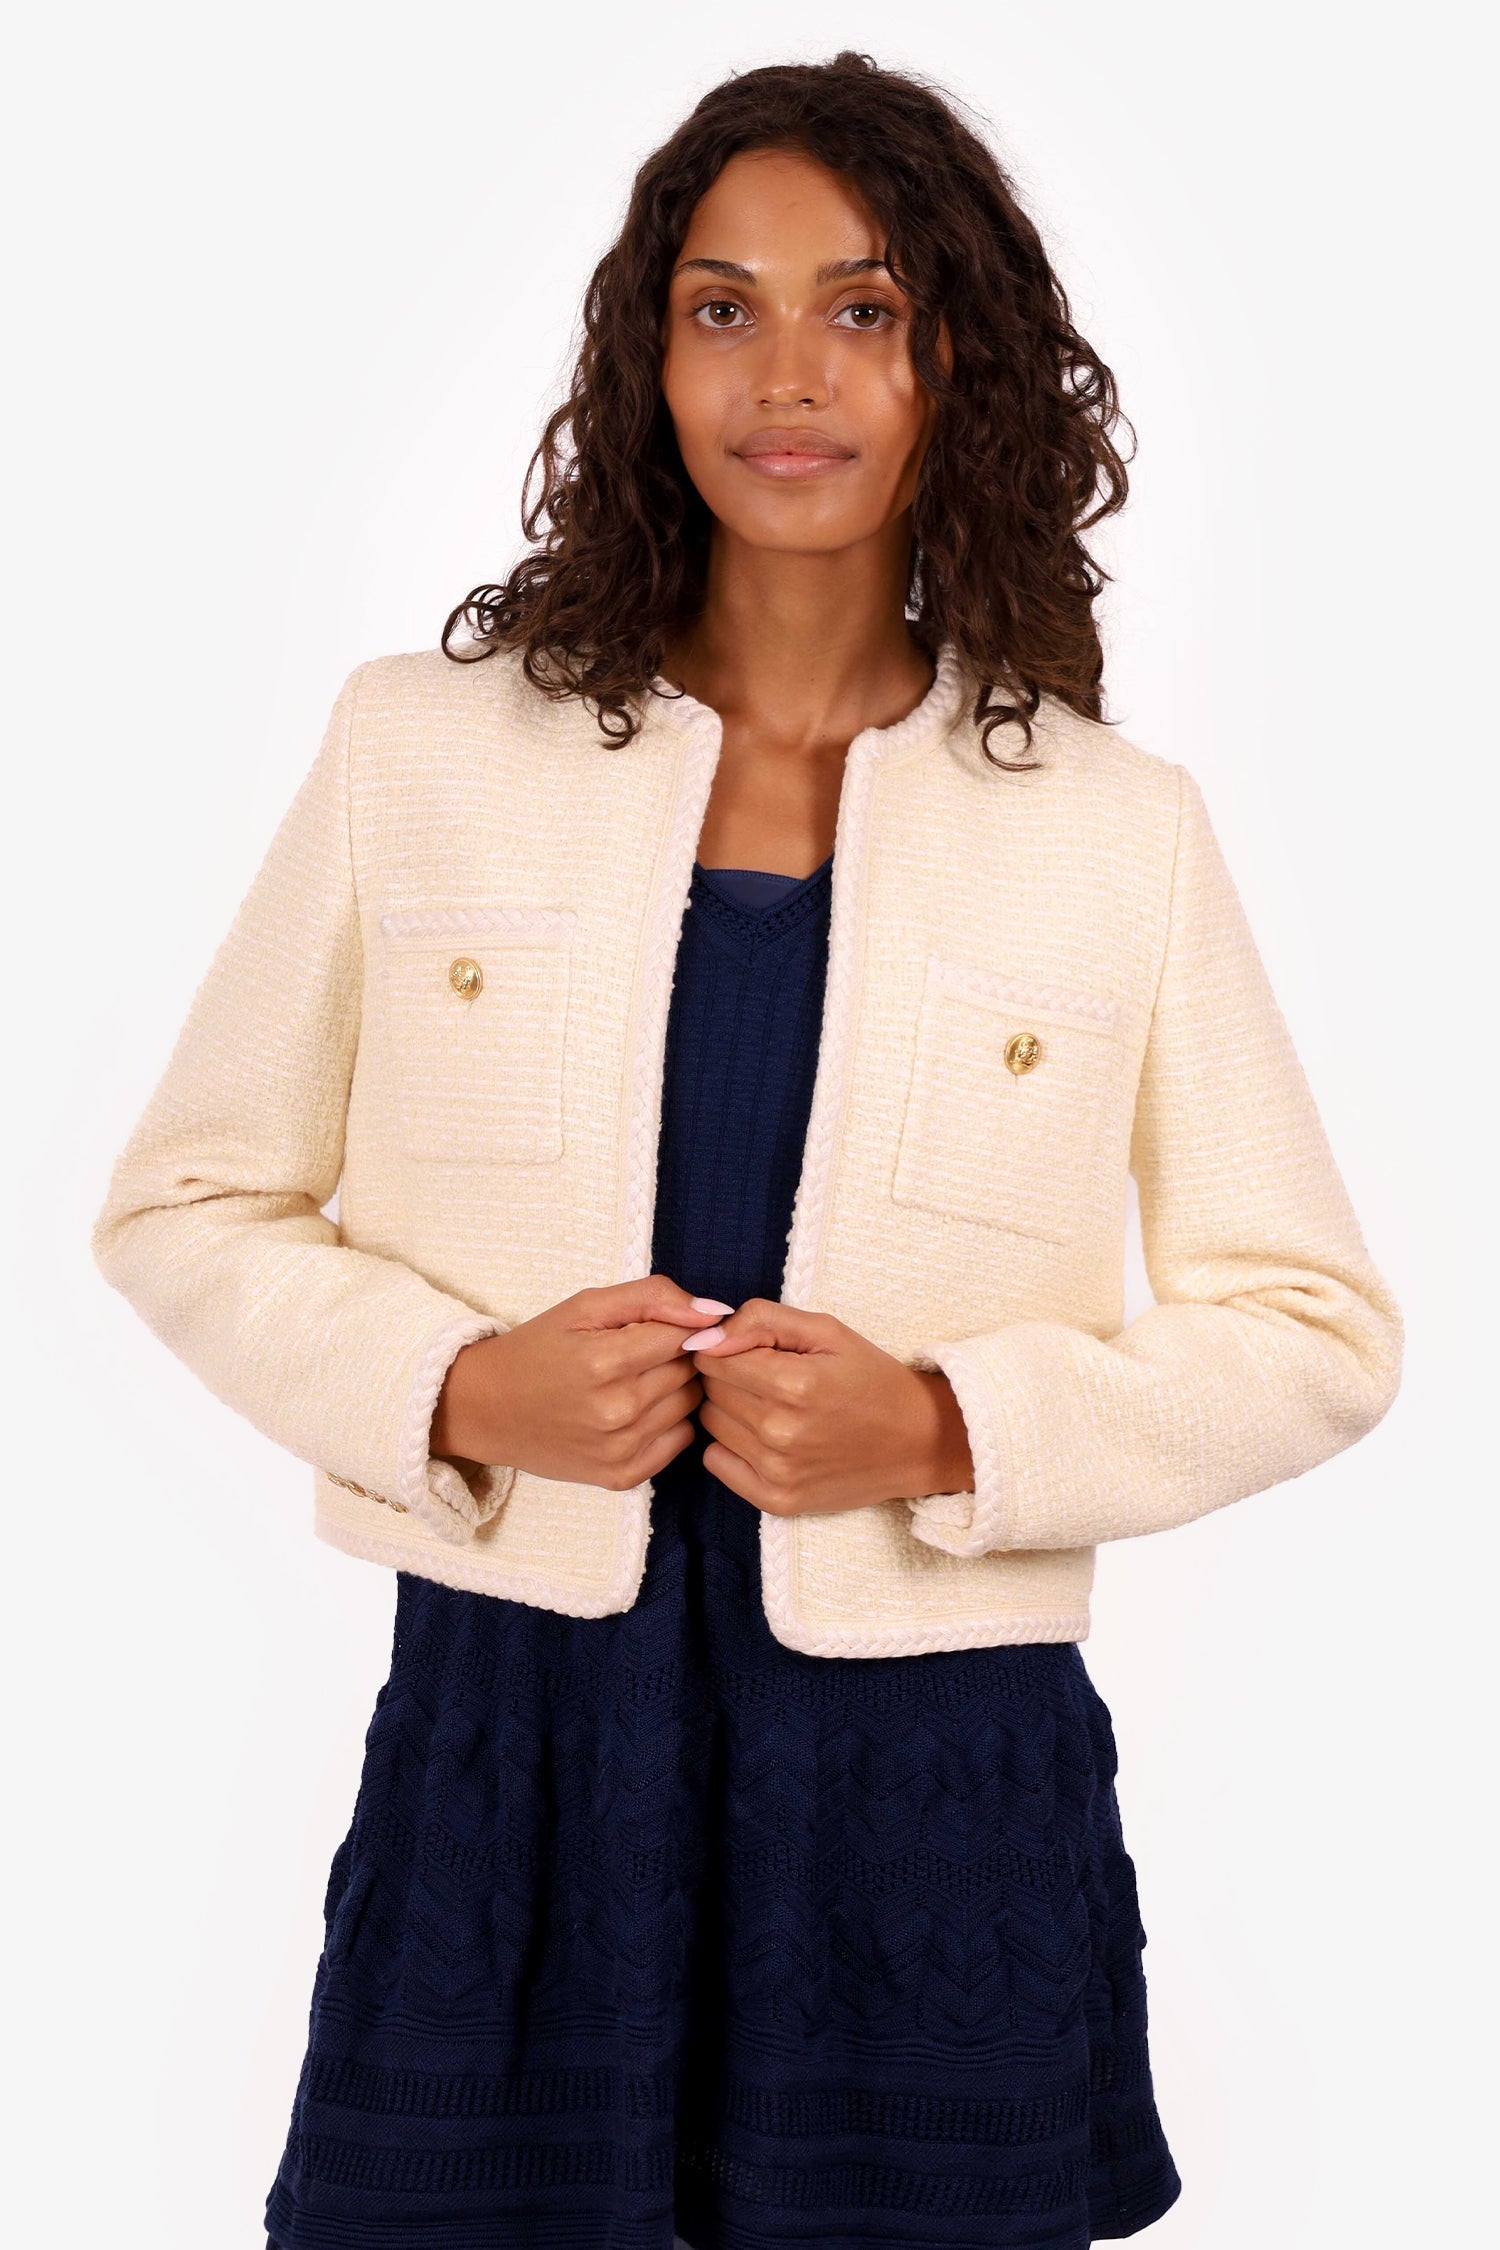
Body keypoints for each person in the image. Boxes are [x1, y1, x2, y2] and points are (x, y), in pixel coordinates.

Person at [92, 50, 1403, 2250]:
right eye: (724, 308)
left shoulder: (1116, 831)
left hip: (935, 1798)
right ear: (651, 354)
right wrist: (454, 1388)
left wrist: (949, 1427)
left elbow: (1315, 1328)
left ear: (958, 364)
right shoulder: (422, 752)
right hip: (518, 1756)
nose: (787, 374)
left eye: (862, 309)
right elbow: (185, 1198)